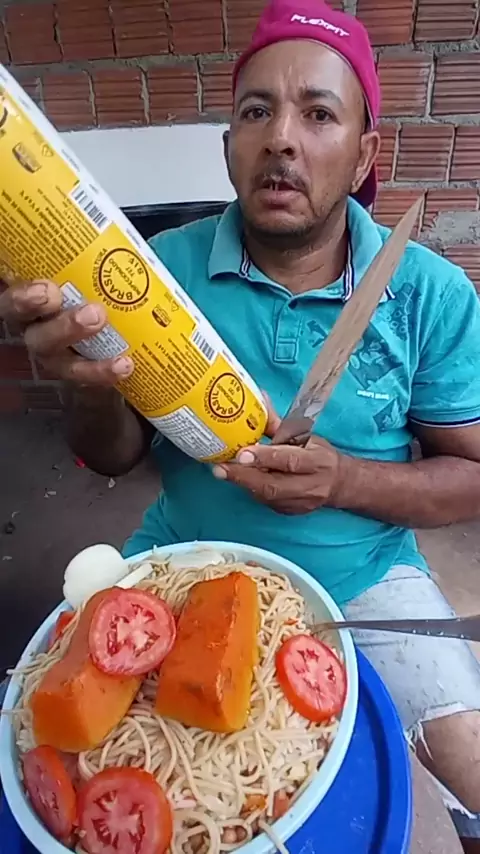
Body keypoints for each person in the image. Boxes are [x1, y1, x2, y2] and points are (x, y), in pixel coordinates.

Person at [1, 0, 480, 847]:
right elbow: (112, 459)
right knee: (89, 768)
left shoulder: (430, 294)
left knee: (473, 768)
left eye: (318, 114)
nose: (281, 139)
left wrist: (345, 480)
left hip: (366, 580)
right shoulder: (158, 272)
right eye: (256, 112)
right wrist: (89, 385)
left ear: (365, 154)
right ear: (228, 145)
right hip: (184, 563)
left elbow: (470, 476)